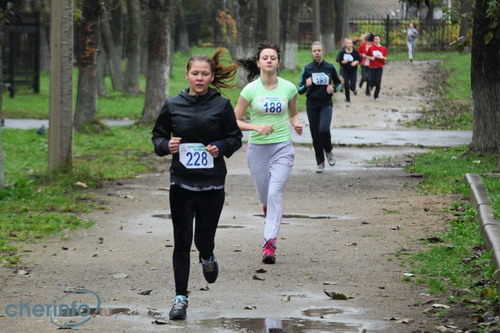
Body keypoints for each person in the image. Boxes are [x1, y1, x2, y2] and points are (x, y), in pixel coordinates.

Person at [152, 48, 243, 320]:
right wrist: (166, 145)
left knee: (203, 239)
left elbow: (235, 137)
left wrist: (221, 146)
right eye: (195, 73)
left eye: (205, 74)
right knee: (182, 241)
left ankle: (207, 256)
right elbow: (158, 137)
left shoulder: (222, 105)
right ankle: (180, 298)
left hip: (212, 184)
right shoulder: (173, 104)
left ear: (212, 76)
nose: (199, 78)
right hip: (181, 183)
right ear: (187, 75)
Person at [234, 43, 303, 264]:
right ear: (259, 62)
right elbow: (233, 121)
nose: (269, 60)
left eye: (273, 57)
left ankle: (269, 244)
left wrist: (297, 124)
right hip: (258, 150)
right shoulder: (250, 90)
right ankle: (271, 217)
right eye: (265, 57)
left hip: (282, 147)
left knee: (275, 194)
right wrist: (255, 127)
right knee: (265, 197)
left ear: (278, 62)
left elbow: (293, 114)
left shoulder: (289, 88)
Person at [298, 41, 341, 173]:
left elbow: (339, 83)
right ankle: (320, 162)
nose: (316, 53)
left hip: (325, 103)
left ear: (323, 51)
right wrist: (306, 85)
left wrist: (333, 89)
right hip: (312, 104)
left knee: (324, 129)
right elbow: (299, 90)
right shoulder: (307, 69)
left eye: (319, 50)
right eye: (314, 51)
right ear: (311, 53)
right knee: (315, 134)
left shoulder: (330, 67)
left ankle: (328, 150)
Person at [336, 38, 361, 107]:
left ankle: (353, 89)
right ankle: (348, 100)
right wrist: (342, 61)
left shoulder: (355, 52)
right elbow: (337, 59)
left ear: (352, 44)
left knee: (352, 87)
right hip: (345, 71)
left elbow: (360, 59)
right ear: (345, 44)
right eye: (347, 43)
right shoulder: (342, 52)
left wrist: (356, 62)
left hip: (353, 71)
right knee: (346, 86)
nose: (349, 45)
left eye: (350, 43)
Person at [366, 35, 388, 101]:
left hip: (379, 66)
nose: (376, 40)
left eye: (378, 39)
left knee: (378, 82)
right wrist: (371, 58)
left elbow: (386, 57)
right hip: (372, 66)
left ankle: (376, 96)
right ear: (374, 40)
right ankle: (371, 86)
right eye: (375, 39)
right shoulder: (371, 48)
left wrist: (382, 57)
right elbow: (366, 55)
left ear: (380, 40)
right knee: (372, 81)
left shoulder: (383, 48)